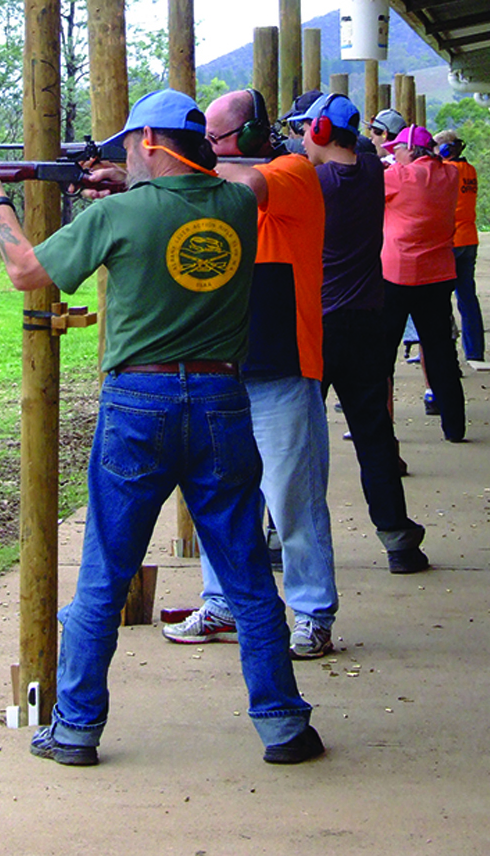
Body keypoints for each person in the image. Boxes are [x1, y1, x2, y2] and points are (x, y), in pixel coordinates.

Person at [0, 88, 322, 766]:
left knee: (103, 575)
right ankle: (283, 725)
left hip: (138, 403)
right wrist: (143, 175)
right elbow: (223, 180)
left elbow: (26, 272)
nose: (121, 152)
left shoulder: (121, 213)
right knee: (244, 571)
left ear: (150, 142)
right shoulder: (239, 205)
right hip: (221, 399)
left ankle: (75, 730)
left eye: (130, 142)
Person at [163, 88, 338, 661]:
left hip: (283, 364)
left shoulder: (291, 170)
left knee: (294, 503)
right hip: (225, 366)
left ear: (245, 138)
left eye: (211, 141)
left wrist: (164, 170)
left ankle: (312, 613)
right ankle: (222, 603)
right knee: (224, 499)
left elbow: (240, 189)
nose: (205, 152)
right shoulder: (220, 183)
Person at [296, 92, 429, 573]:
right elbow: (367, 152)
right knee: (375, 435)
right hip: (368, 320)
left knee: (297, 438)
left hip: (321, 323)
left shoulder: (314, 180)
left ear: (319, 131)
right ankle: (398, 540)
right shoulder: (372, 170)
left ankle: (275, 533)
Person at [380, 124, 465, 443]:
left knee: (383, 355)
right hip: (439, 274)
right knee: (441, 352)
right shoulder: (451, 175)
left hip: (397, 275)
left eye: (397, 150)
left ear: (411, 151)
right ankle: (454, 425)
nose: (394, 156)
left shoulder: (398, 178)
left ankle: (382, 426)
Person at [435, 129, 485, 362]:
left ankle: (444, 354)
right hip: (469, 238)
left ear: (446, 150)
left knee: (439, 301)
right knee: (467, 298)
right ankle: (475, 352)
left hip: (451, 240)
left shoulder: (448, 171)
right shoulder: (469, 170)